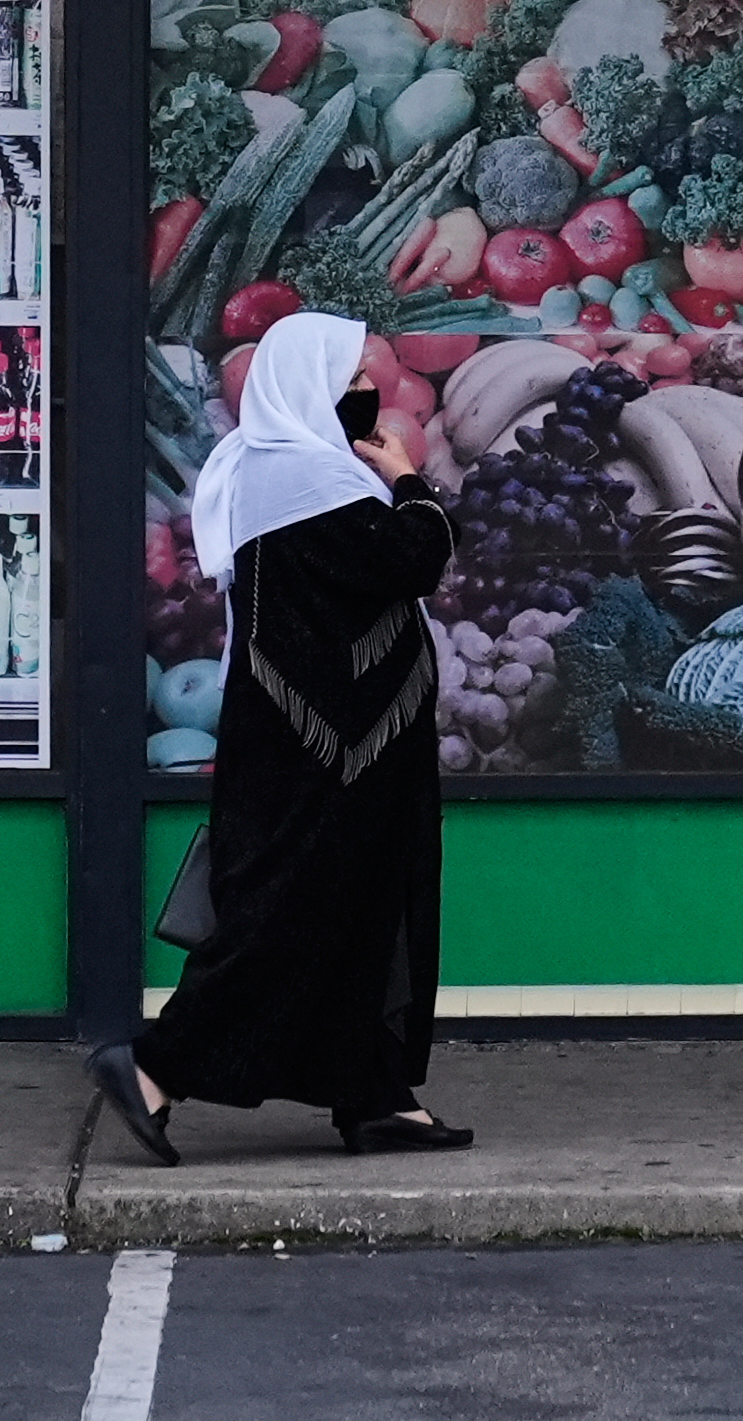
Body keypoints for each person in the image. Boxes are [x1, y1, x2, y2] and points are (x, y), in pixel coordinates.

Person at [92, 311, 472, 1162]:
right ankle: (153, 1068)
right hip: (324, 759)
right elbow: (416, 557)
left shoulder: (291, 474)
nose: (364, 396)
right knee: (287, 920)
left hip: (337, 752)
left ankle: (376, 1094)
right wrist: (412, 479)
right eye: (346, 384)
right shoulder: (306, 483)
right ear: (306, 390)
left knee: (360, 918)